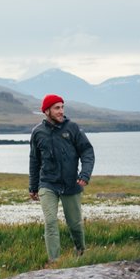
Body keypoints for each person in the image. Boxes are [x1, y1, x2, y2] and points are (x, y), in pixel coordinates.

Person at [29, 94, 95, 262]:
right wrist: (33, 187)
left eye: (62, 107)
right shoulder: (38, 133)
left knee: (75, 225)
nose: (61, 111)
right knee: (50, 221)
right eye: (57, 108)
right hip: (47, 184)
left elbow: (87, 152)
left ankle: (81, 252)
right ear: (47, 111)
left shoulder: (72, 128)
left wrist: (85, 175)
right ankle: (54, 262)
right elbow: (34, 160)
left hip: (71, 184)